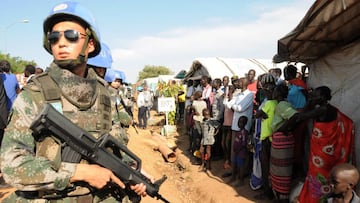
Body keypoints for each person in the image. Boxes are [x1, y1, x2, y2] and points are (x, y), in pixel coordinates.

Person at [0, 2, 148, 202]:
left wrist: (131, 171)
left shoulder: (104, 93)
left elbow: (115, 146)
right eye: (54, 37)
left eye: (71, 36)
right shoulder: (35, 94)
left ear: (90, 44)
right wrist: (79, 172)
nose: (61, 43)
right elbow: (12, 165)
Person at [297, 86, 354, 203]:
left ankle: (316, 200)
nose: (313, 97)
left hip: (321, 155)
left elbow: (301, 116)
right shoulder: (330, 109)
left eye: (315, 95)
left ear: (322, 97)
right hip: (328, 153)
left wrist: (309, 102)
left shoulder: (322, 110)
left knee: (318, 177)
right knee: (328, 178)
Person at [229, 115, 249, 186]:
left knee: (241, 166)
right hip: (236, 151)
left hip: (240, 152)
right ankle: (233, 177)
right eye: (239, 122)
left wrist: (237, 150)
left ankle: (241, 180)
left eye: (241, 122)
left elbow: (243, 144)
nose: (239, 124)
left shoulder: (244, 132)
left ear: (245, 123)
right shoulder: (238, 131)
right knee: (234, 164)